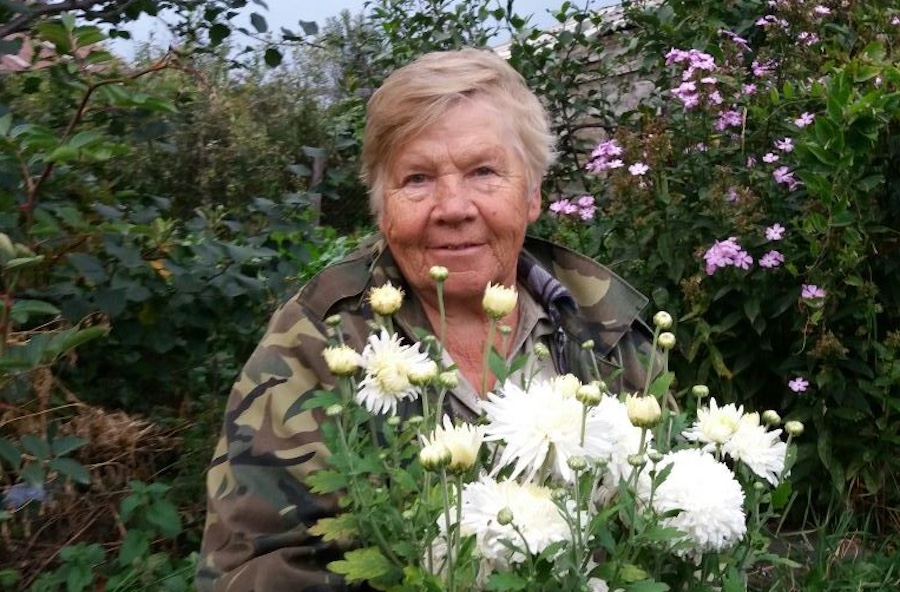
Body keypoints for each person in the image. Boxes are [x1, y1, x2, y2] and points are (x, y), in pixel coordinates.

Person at [196, 47, 656, 591]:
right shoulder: (316, 343)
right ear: (382, 206)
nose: (453, 207)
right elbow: (247, 567)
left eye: (484, 171)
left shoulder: (606, 327)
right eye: (417, 178)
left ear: (533, 194)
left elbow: (665, 523)